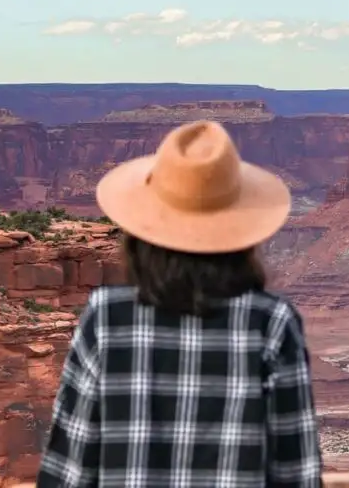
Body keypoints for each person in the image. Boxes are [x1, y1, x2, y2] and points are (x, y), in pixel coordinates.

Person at [36, 119, 323, 488]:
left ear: (144, 232)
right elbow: (296, 472)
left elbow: (69, 467)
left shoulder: (107, 318)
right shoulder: (271, 322)